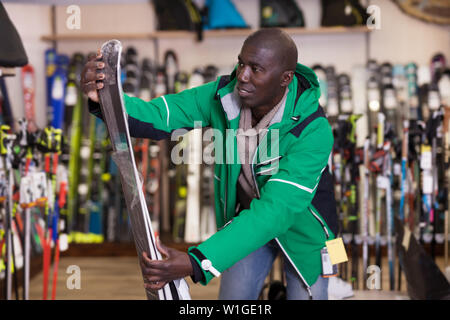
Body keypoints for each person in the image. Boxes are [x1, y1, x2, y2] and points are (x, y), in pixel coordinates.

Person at [82, 28, 338, 300]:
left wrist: (196, 262)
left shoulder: (314, 130)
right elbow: (163, 114)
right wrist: (107, 101)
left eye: (256, 68)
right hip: (246, 224)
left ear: (285, 78)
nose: (242, 76)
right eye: (241, 63)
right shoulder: (223, 95)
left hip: (306, 232)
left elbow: (276, 211)